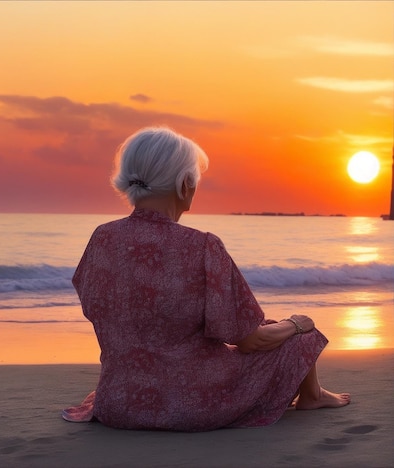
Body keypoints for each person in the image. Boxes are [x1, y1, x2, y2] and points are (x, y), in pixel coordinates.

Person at [62, 127, 350, 431]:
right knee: (299, 334)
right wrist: (297, 324)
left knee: (269, 327)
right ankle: (313, 395)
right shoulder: (202, 246)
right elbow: (251, 340)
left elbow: (99, 308)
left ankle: (313, 391)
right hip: (193, 405)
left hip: (119, 404)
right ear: (185, 184)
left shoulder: (102, 239)